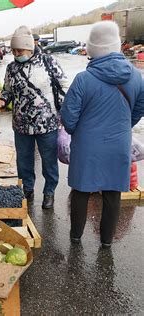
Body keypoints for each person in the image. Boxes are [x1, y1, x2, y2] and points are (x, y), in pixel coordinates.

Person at [60, 21, 144, 248]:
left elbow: (68, 119)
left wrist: (78, 131)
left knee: (81, 190)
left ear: (92, 49)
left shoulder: (83, 79)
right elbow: (138, 110)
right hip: (118, 143)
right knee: (112, 192)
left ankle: (75, 238)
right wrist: (122, 127)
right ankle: (106, 242)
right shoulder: (136, 77)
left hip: (87, 146)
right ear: (116, 46)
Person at [0, 26, 69, 209]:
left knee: (48, 161)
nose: (16, 54)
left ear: (29, 47)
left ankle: (49, 192)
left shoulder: (48, 62)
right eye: (13, 50)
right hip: (21, 124)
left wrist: (66, 112)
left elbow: (64, 86)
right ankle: (27, 189)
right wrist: (3, 100)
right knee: (24, 161)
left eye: (19, 50)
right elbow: (8, 90)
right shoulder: (11, 68)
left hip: (47, 124)